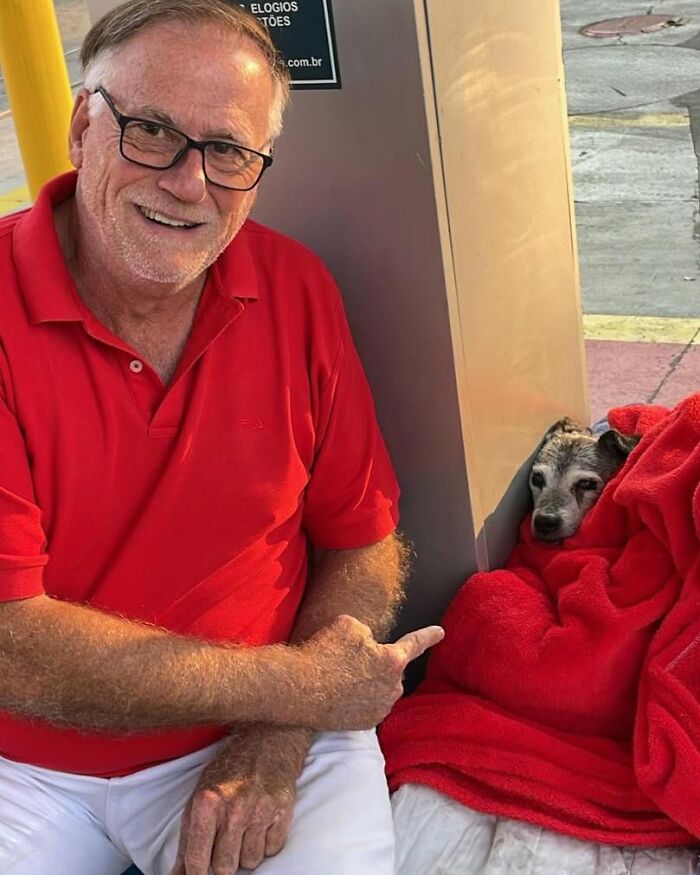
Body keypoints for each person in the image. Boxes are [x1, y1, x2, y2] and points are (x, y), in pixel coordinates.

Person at [0, 1, 443, 873]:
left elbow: (361, 543)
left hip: (262, 734)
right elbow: (12, 647)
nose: (188, 182)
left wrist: (277, 734)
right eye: (152, 131)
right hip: (24, 763)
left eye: (230, 152)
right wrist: (304, 687)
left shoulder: (295, 289)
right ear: (83, 125)